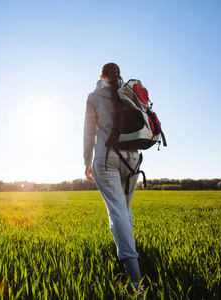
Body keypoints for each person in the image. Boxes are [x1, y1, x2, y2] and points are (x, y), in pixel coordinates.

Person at [83, 62, 144, 294]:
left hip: (106, 158)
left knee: (117, 213)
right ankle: (132, 269)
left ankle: (136, 281)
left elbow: (89, 132)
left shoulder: (93, 96)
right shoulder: (128, 93)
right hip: (133, 160)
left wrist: (86, 161)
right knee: (125, 211)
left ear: (101, 76)